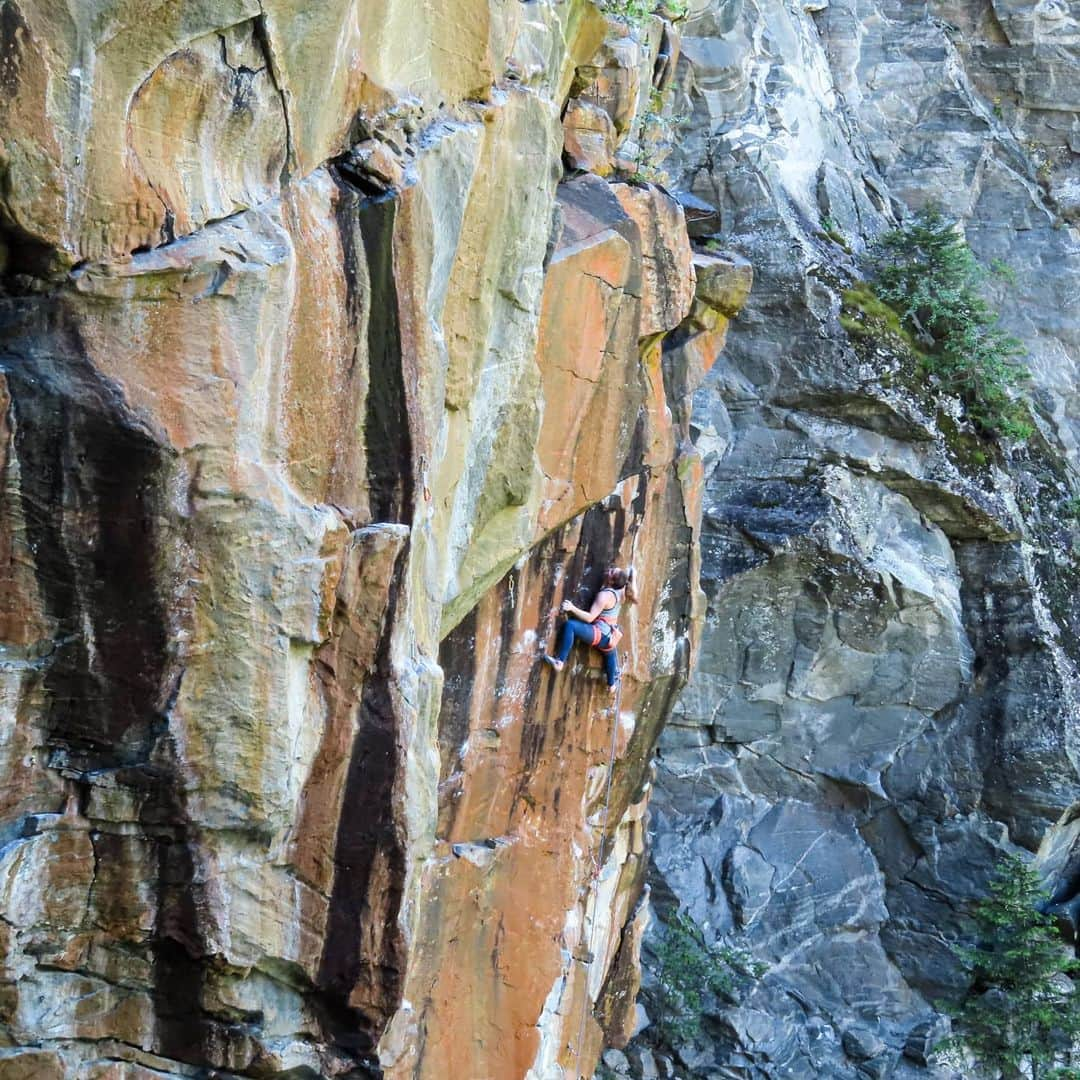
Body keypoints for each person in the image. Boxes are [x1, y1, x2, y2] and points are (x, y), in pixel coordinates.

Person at [543, 567, 635, 693]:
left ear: (612, 582)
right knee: (609, 653)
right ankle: (611, 685)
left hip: (600, 634)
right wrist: (633, 575)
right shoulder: (622, 592)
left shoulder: (605, 596)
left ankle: (560, 661)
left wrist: (572, 608)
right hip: (610, 637)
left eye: (612, 572)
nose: (609, 569)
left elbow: (590, 617)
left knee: (570, 626)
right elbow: (632, 589)